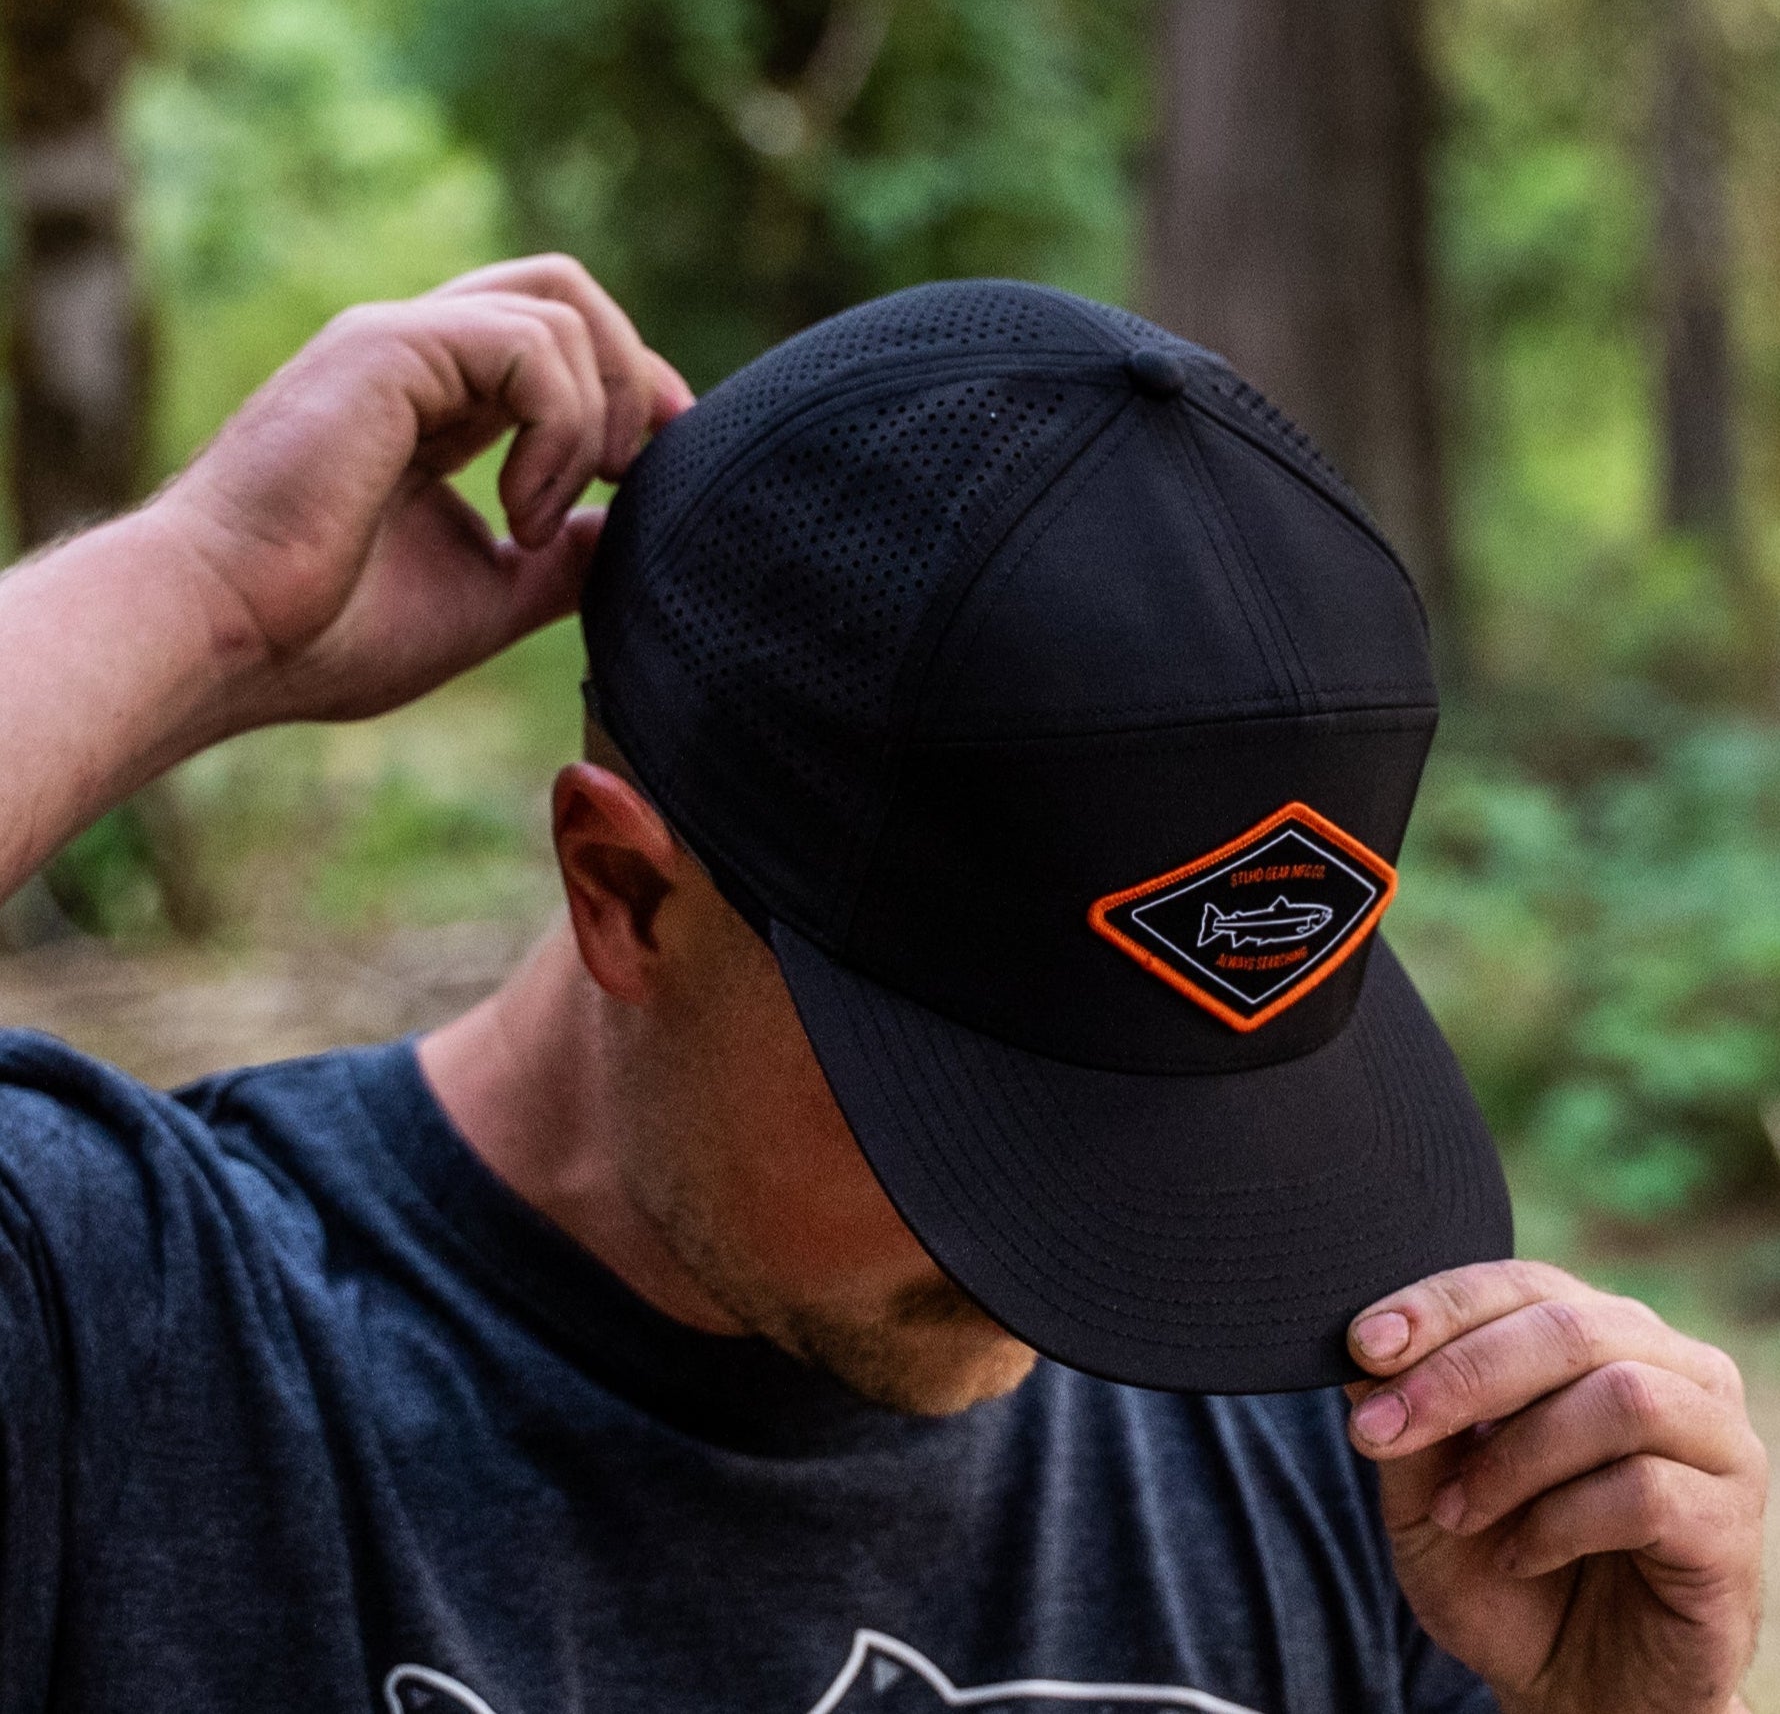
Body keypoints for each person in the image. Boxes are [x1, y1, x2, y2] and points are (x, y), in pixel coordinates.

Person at [0, 255, 1764, 1714]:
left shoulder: (1365, 1460)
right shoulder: (121, 1346)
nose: (1105, 1272)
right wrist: (201, 597)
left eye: (1198, 1121)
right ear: (624, 895)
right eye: (990, 1115)